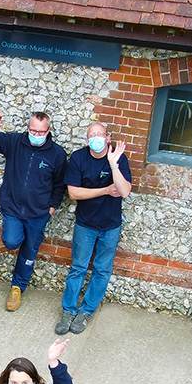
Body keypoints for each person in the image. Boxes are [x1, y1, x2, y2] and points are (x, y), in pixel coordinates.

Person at [0, 109, 69, 311]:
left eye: (40, 132)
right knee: (11, 241)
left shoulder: (57, 154)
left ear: (48, 130)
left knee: (30, 250)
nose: (36, 135)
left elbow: (60, 184)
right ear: (27, 129)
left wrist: (52, 208)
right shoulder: (14, 142)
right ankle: (17, 258)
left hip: (39, 214)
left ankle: (17, 287)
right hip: (12, 209)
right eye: (32, 131)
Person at [56, 123, 132, 335]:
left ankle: (86, 311)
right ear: (87, 139)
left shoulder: (118, 158)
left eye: (100, 135)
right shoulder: (79, 158)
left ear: (108, 138)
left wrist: (114, 165)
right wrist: (106, 190)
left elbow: (124, 191)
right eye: (92, 135)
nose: (96, 138)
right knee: (78, 267)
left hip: (110, 226)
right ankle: (68, 310)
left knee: (102, 270)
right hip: (85, 224)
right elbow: (74, 193)